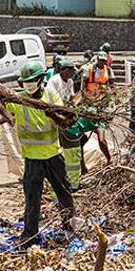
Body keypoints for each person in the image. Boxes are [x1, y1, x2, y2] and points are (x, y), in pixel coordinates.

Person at [0, 61, 76, 245]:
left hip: (53, 157)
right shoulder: (19, 100)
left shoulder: (50, 94)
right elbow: (6, 114)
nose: (29, 84)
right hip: (32, 160)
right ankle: (29, 235)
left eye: (32, 80)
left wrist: (53, 115)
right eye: (25, 81)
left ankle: (70, 228)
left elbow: (64, 118)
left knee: (64, 194)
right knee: (32, 199)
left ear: (40, 79)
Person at [46, 59, 83, 191]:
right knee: (60, 147)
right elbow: (53, 101)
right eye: (71, 71)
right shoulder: (54, 81)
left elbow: (71, 98)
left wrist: (78, 100)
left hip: (66, 115)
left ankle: (72, 181)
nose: (73, 73)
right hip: (57, 117)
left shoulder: (70, 81)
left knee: (72, 148)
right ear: (65, 70)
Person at [80, 51, 113, 165]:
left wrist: (111, 100)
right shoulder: (88, 69)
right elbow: (83, 87)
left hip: (101, 108)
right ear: (97, 59)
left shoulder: (108, 70)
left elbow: (112, 86)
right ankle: (82, 165)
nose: (102, 62)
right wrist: (86, 101)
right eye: (100, 60)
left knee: (101, 139)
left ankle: (109, 159)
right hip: (89, 107)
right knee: (80, 138)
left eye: (104, 60)